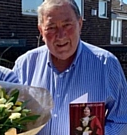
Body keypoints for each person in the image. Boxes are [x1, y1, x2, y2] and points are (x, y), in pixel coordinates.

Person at [12, 0, 127, 134]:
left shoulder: (106, 64)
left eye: (67, 25)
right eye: (51, 27)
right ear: (41, 31)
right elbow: (11, 115)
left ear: (80, 24)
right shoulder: (25, 65)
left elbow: (122, 119)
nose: (61, 35)